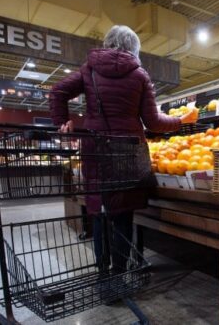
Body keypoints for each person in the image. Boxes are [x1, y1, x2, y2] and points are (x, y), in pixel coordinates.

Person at [50, 25, 197, 271]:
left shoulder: (89, 70)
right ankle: (119, 275)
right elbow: (154, 123)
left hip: (96, 151)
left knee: (98, 212)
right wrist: (182, 121)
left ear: (108, 42)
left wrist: (62, 122)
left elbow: (57, 91)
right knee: (123, 214)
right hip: (127, 152)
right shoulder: (140, 75)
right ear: (134, 48)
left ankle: (103, 277)